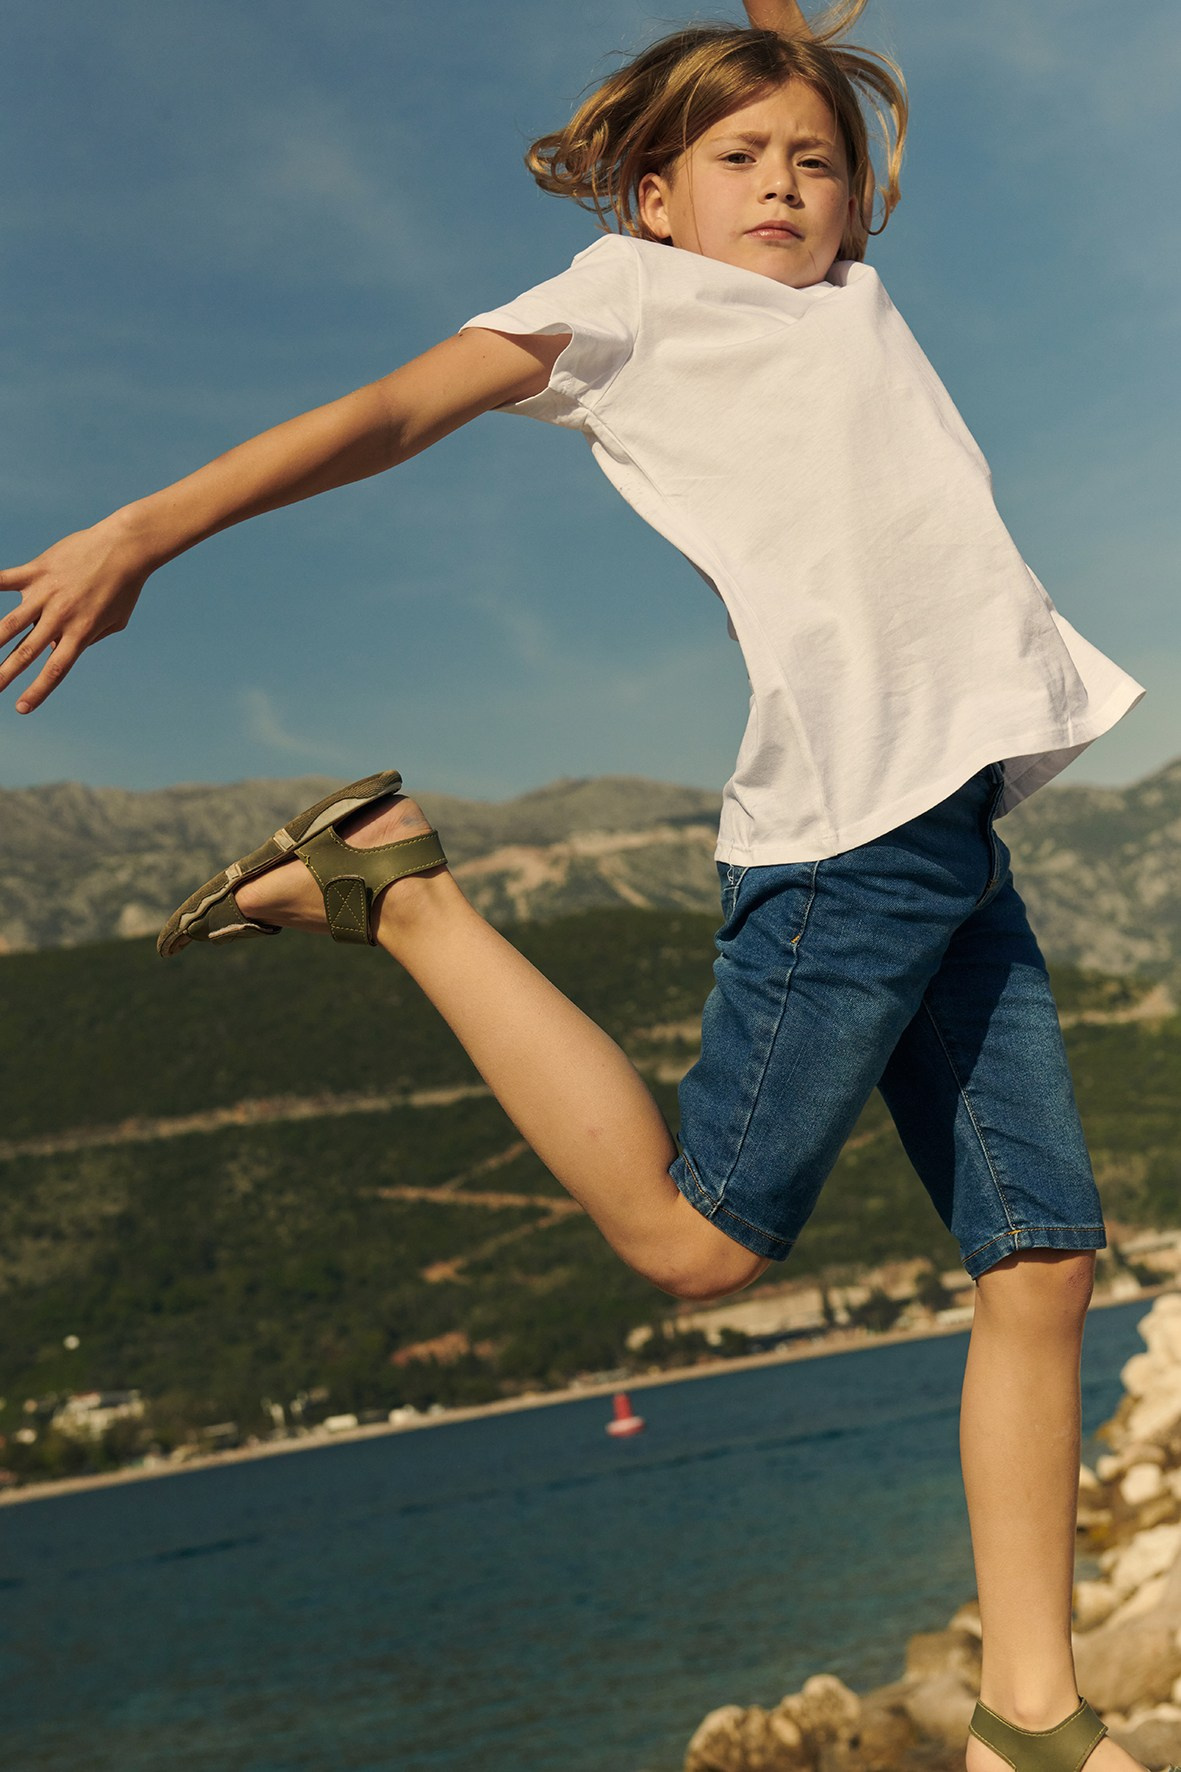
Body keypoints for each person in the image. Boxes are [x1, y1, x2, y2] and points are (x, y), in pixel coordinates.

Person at [0, 6, 1161, 1772]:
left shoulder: (843, 293)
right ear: (653, 196)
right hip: (850, 838)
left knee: (1044, 1262)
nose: (784, 185)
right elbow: (393, 411)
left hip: (949, 834)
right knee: (694, 1246)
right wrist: (147, 528)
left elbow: (791, 47)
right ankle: (401, 895)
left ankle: (1030, 1713)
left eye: (816, 162)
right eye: (737, 159)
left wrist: (789, 51)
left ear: (858, 200)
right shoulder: (629, 299)